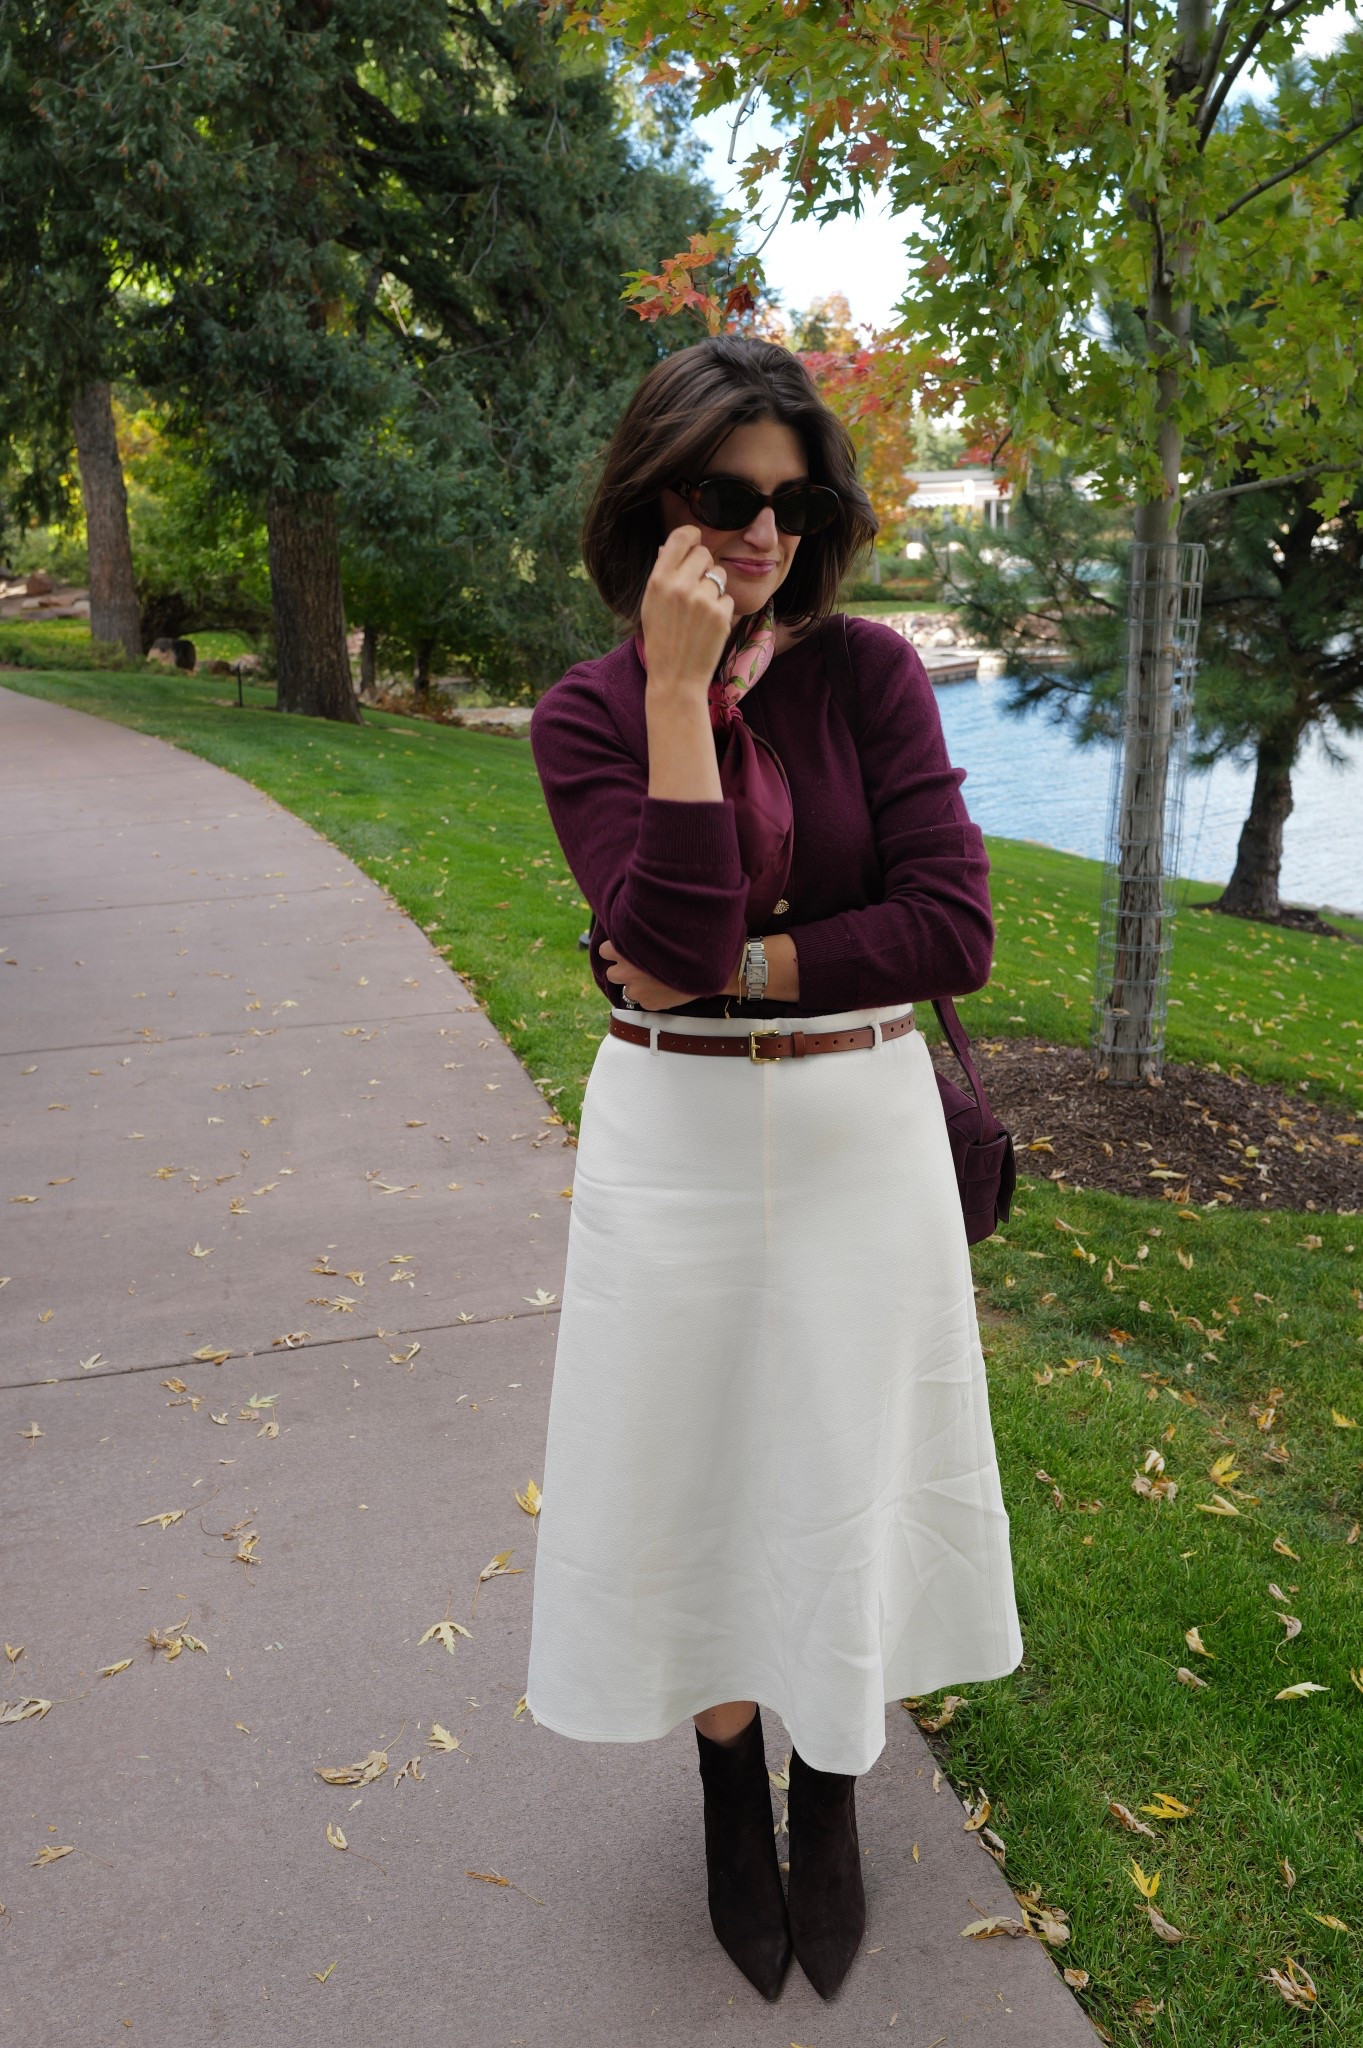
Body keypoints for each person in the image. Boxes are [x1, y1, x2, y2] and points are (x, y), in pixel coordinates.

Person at [523, 335, 1024, 2005]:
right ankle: (731, 1785)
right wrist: (679, 694)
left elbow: (951, 925)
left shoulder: (869, 675)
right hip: (671, 1143)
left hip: (855, 1133)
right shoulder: (591, 712)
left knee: (838, 1459)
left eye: (792, 503)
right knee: (698, 1465)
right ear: (651, 500)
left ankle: (834, 1779)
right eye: (725, 497)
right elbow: (658, 932)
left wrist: (739, 969)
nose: (760, 534)